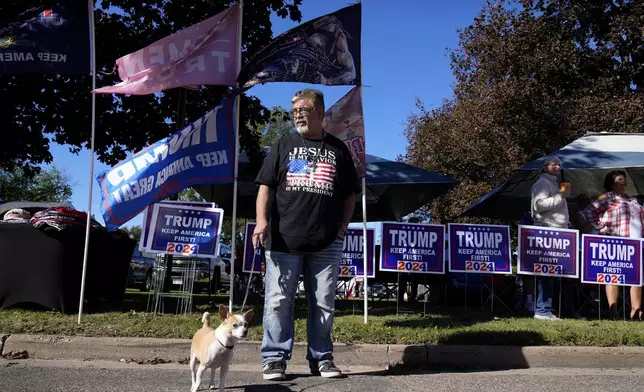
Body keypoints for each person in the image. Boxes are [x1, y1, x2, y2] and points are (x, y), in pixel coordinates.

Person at [252, 88, 359, 380]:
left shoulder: (338, 149)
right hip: (283, 239)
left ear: (321, 113)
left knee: (323, 303)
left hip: (326, 243)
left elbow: (350, 194)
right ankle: (274, 359)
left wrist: (342, 228)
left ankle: (322, 359)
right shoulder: (284, 143)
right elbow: (266, 186)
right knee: (277, 301)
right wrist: (261, 221)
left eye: (305, 108)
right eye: (295, 109)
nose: (298, 113)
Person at [588, 170, 644, 320]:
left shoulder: (633, 199)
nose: (623, 182)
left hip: (636, 243)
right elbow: (590, 212)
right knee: (614, 276)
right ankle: (613, 311)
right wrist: (602, 228)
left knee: (637, 278)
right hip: (617, 241)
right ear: (612, 183)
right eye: (620, 179)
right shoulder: (607, 197)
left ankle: (636, 311)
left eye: (624, 179)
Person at [530, 156, 570, 321]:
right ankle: (541, 310)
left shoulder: (552, 184)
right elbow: (539, 206)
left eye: (559, 164)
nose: (557, 166)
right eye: (554, 164)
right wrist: (561, 196)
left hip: (558, 232)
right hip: (547, 231)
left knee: (552, 273)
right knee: (546, 272)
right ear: (545, 167)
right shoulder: (542, 183)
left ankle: (547, 309)